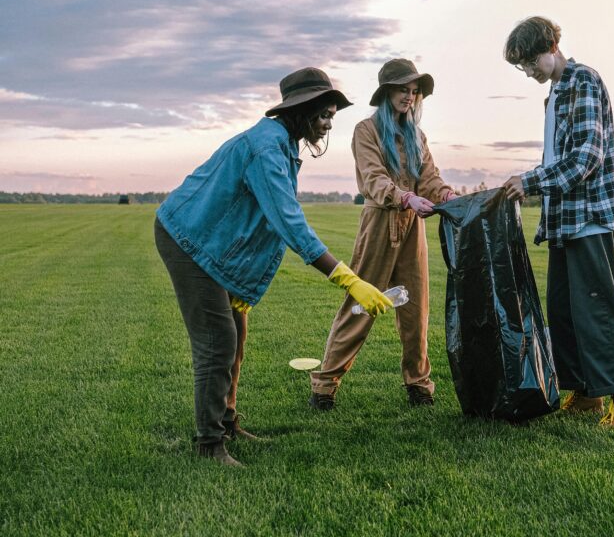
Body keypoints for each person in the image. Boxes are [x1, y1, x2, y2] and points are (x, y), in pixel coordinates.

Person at [155, 67, 393, 467]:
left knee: (237, 331)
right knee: (217, 343)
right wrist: (349, 280)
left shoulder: (282, 144)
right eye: (324, 114)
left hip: (212, 244)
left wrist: (242, 286)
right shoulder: (267, 148)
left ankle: (227, 421)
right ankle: (208, 445)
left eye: (332, 115)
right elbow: (288, 222)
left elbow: (256, 223)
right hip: (188, 240)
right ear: (300, 109)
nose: (328, 123)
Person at [500, 16, 614, 427]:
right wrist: (528, 181)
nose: (527, 73)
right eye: (521, 67)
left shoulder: (583, 80)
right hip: (563, 221)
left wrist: (530, 183)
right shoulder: (555, 94)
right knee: (563, 312)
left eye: (529, 62)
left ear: (551, 46)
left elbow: (586, 158)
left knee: (597, 311)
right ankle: (584, 394)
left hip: (591, 218)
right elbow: (557, 159)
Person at [309, 58, 456, 410]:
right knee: (360, 305)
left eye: (415, 91)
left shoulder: (417, 136)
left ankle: (419, 384)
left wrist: (447, 196)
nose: (410, 96)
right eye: (404, 90)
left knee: (416, 309)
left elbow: (430, 178)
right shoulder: (366, 131)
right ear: (387, 92)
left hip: (412, 229)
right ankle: (325, 385)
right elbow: (373, 178)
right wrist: (404, 197)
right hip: (379, 224)